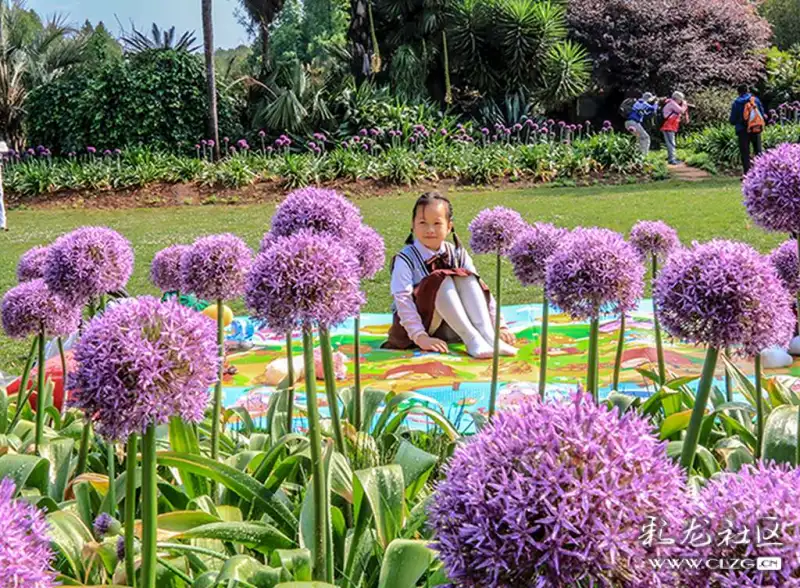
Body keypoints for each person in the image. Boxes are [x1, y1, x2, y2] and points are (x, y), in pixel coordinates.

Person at [383, 192, 517, 358]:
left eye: (437, 223)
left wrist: (500, 325)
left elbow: (480, 289)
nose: (430, 230)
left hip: (453, 328)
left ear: (449, 226)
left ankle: (488, 336)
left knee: (468, 277)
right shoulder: (405, 258)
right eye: (423, 223)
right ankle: (472, 340)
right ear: (413, 225)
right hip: (423, 328)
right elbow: (402, 299)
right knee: (440, 279)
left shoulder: (457, 253)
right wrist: (421, 337)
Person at [729, 84, 765, 175]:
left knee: (745, 153)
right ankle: (760, 172)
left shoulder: (736, 103)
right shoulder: (755, 100)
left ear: (738, 92)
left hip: (742, 131)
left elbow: (732, 120)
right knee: (758, 151)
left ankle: (747, 174)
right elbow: (762, 113)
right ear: (748, 91)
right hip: (755, 128)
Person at [624, 92, 659, 157]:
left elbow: (646, 114)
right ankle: (644, 157)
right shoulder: (643, 102)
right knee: (646, 138)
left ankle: (637, 155)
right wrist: (656, 103)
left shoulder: (638, 102)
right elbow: (653, 109)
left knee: (639, 139)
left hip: (629, 122)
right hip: (633, 123)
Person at [660, 91, 689, 165]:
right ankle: (672, 160)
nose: (681, 101)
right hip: (668, 126)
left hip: (670, 126)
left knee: (670, 143)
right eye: (681, 99)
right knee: (671, 143)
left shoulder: (671, 103)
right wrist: (685, 104)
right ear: (677, 98)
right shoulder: (672, 103)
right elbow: (681, 111)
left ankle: (671, 158)